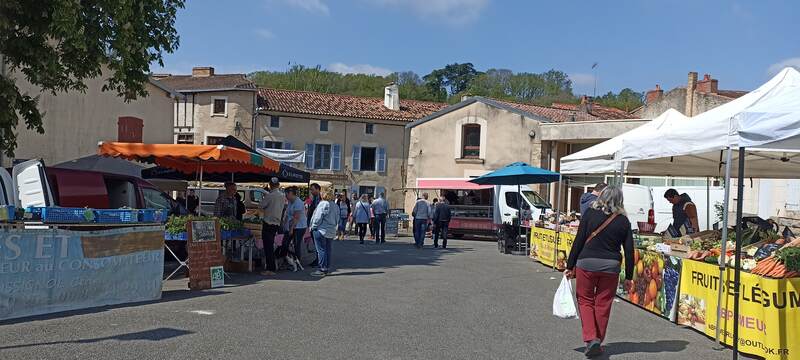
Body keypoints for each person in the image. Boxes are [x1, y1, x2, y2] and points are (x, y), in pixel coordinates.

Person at [564, 186, 634, 358]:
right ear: (620, 200)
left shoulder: (589, 214)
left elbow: (579, 240)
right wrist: (629, 276)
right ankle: (598, 341)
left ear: (601, 197)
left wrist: (570, 265)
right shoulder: (624, 221)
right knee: (603, 303)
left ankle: (591, 338)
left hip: (586, 263)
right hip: (611, 266)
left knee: (585, 300)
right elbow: (629, 250)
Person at [309, 189, 339, 277]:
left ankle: (321, 269)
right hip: (331, 230)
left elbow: (317, 218)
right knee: (328, 250)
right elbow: (337, 219)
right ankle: (326, 268)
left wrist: (313, 227)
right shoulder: (335, 205)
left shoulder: (323, 204)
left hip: (321, 230)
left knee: (321, 250)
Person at [259, 178, 284, 275]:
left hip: (268, 222)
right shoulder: (282, 195)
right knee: (271, 245)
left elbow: (261, 205)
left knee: (267, 246)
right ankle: (272, 267)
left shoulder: (270, 195)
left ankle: (270, 269)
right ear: (278, 185)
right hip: (277, 223)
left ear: (270, 185)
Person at [284, 187, 308, 264]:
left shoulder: (298, 203)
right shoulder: (290, 202)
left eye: (286, 194)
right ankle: (287, 259)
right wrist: (284, 225)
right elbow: (287, 215)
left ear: (291, 194)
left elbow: (296, 217)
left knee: (296, 244)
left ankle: (297, 261)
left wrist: (291, 229)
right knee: (285, 242)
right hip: (292, 225)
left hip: (299, 227)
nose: (286, 196)